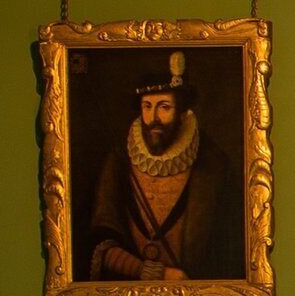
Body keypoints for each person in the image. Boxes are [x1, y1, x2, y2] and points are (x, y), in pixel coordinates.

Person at [85, 52, 229, 281]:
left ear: (182, 114)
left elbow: (226, 246)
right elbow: (101, 238)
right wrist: (152, 272)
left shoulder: (212, 164)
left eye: (164, 107)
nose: (153, 118)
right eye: (147, 106)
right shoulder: (119, 159)